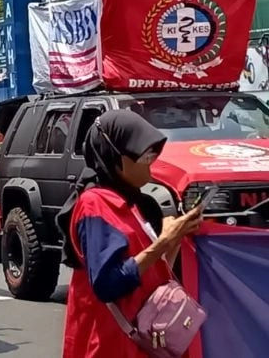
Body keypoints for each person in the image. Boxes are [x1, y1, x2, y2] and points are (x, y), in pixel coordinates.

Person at [56, 111, 202, 358]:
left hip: (141, 341)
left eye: (153, 153)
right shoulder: (95, 204)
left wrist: (174, 237)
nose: (151, 161)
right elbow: (107, 284)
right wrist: (163, 242)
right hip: (108, 344)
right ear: (115, 157)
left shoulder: (130, 201)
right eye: (144, 154)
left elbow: (152, 270)